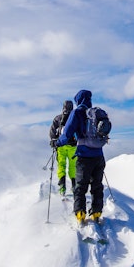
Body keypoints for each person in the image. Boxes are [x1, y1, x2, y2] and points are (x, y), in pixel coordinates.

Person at [55, 89, 106, 225]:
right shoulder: (96, 113)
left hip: (84, 156)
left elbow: (67, 133)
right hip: (99, 156)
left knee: (80, 186)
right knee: (97, 185)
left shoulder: (77, 112)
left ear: (78, 100)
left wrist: (58, 143)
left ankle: (80, 213)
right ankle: (96, 212)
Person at [49, 100, 76, 195]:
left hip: (60, 146)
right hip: (73, 146)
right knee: (73, 166)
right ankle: (74, 186)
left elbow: (52, 130)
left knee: (61, 165)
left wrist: (53, 140)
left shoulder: (58, 118)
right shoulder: (75, 117)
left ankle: (62, 186)